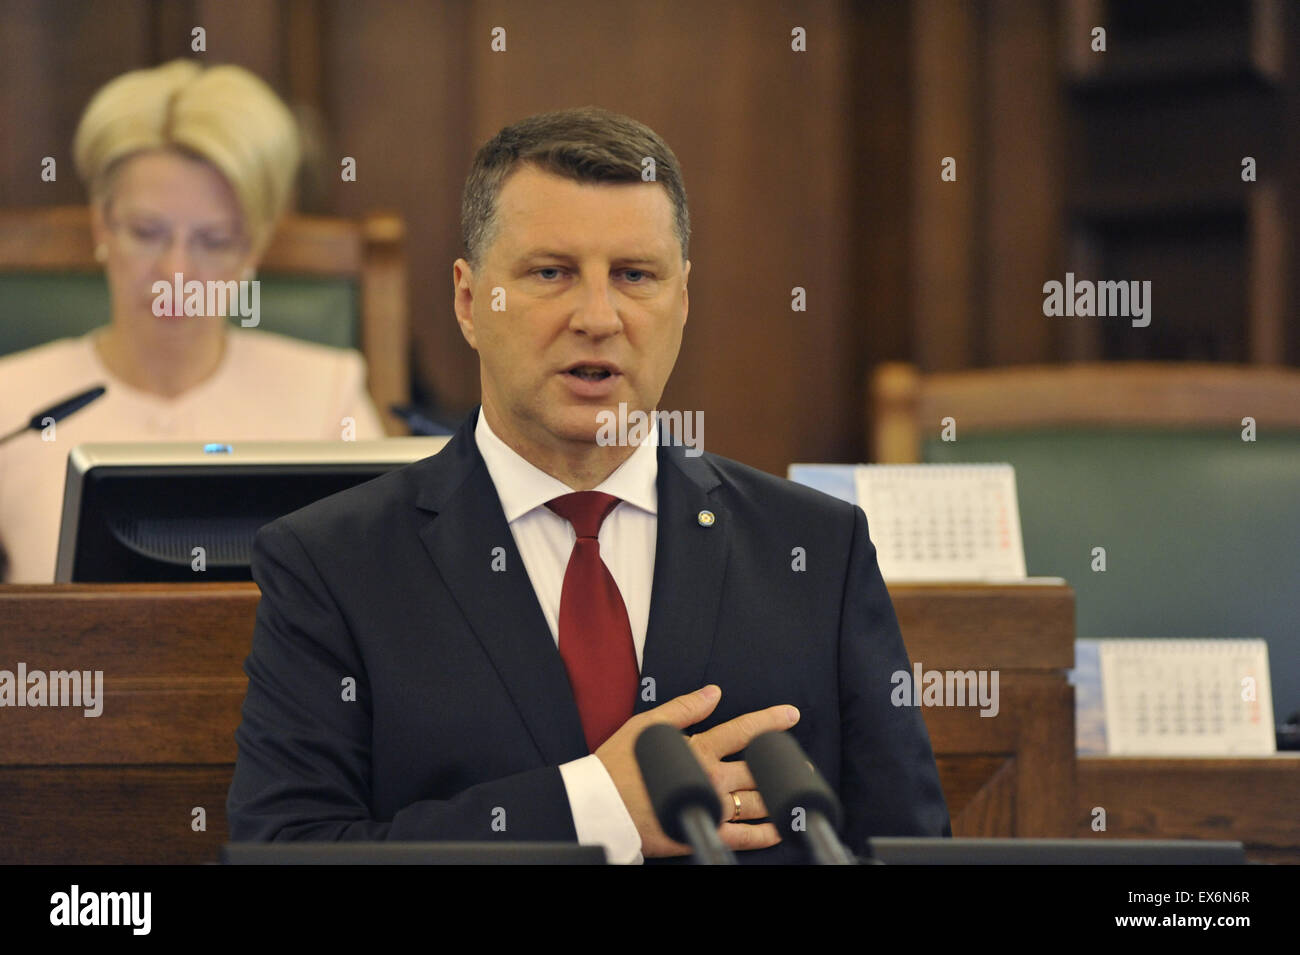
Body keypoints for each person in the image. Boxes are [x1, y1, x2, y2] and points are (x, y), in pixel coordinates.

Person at [227, 107, 950, 863]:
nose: (599, 317)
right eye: (551, 273)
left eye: (635, 276)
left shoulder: (814, 550)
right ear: (471, 302)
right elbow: (288, 851)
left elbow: (906, 846)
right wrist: (594, 806)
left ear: (684, 300)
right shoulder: (334, 563)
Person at [0, 59, 385, 583]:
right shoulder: (12, 407)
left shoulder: (327, 392)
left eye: (215, 241)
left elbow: (375, 594)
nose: (175, 273)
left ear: (255, 247)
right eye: (146, 231)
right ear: (101, 225)